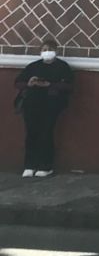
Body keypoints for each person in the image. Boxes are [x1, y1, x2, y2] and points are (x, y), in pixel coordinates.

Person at [14, 38, 74, 178]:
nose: (47, 52)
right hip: (32, 104)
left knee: (46, 133)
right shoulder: (33, 66)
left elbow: (69, 86)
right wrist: (29, 83)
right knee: (31, 133)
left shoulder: (62, 67)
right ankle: (30, 165)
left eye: (50, 49)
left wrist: (49, 85)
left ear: (56, 51)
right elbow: (18, 82)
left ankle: (45, 165)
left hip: (51, 105)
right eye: (44, 50)